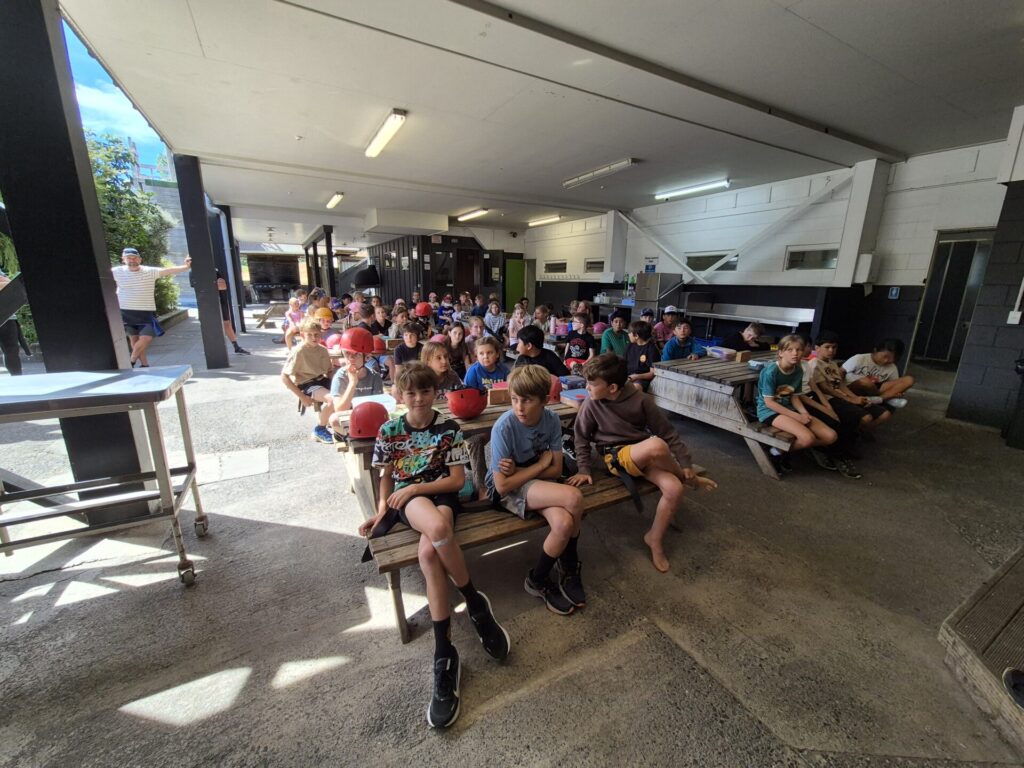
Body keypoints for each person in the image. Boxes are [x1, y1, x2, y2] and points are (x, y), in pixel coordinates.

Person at [361, 362, 510, 729]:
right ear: (399, 394)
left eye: (425, 391)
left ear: (435, 392)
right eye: (410, 392)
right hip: (407, 501)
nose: (418, 398)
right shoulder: (389, 430)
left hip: (441, 494)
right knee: (439, 529)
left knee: (429, 552)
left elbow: (456, 480)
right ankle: (474, 602)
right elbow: (386, 478)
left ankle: (445, 652)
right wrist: (382, 511)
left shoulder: (448, 428)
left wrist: (416, 486)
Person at [568, 353, 715, 572]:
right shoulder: (591, 404)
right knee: (656, 445)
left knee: (674, 488)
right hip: (615, 457)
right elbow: (580, 437)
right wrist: (583, 468)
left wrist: (685, 462)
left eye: (592, 384)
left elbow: (668, 432)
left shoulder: (641, 400)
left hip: (643, 454)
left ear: (612, 388)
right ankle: (690, 479)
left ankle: (654, 538)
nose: (586, 387)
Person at [488, 365, 585, 615]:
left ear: (544, 400)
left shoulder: (551, 420)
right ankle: (570, 563)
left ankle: (538, 579)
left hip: (531, 482)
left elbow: (556, 470)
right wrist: (540, 465)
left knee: (564, 523)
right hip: (506, 491)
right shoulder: (504, 427)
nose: (519, 407)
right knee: (574, 497)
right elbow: (501, 485)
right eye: (514, 399)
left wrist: (522, 470)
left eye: (527, 400)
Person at [756, 334, 837, 474]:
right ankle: (775, 455)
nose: (795, 353)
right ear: (780, 353)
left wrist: (804, 413)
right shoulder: (771, 371)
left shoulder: (798, 369)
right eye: (790, 350)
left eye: (799, 350)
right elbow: (769, 403)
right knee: (807, 439)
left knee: (830, 436)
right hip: (769, 411)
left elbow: (794, 396)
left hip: (789, 408)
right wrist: (797, 417)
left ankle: (778, 450)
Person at [112, 247, 192, 367]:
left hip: (146, 311)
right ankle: (145, 365)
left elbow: (168, 270)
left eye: (134, 258)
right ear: (123, 259)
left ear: (140, 259)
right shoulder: (116, 271)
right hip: (126, 312)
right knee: (134, 340)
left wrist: (185, 267)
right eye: (129, 258)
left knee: (146, 338)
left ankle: (131, 360)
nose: (132, 260)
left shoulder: (149, 271)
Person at [809, 331, 891, 437]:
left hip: (842, 396)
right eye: (827, 347)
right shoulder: (815, 364)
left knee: (884, 414)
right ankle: (851, 435)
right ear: (817, 348)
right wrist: (849, 399)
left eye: (834, 347)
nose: (831, 350)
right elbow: (825, 388)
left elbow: (841, 384)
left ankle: (860, 433)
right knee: (866, 418)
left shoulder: (832, 363)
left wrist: (855, 397)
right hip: (830, 398)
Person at [280, 318, 335, 444]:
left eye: (316, 334)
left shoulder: (322, 350)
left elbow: (329, 371)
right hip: (307, 383)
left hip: (321, 379)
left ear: (321, 334)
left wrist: (338, 383)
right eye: (309, 335)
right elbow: (284, 377)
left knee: (346, 393)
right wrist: (302, 397)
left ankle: (335, 422)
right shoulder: (298, 351)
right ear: (302, 335)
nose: (313, 337)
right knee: (332, 399)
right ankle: (319, 429)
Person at [328, 330, 385, 419]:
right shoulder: (340, 376)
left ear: (367, 357)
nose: (351, 358)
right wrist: (352, 383)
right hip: (348, 415)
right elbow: (340, 410)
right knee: (334, 419)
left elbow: (377, 406)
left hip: (368, 415)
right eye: (347, 353)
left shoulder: (374, 376)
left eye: (357, 354)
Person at [842, 338, 915, 408]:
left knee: (909, 380)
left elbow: (893, 385)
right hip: (853, 387)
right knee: (865, 382)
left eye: (892, 358)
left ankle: (875, 399)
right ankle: (886, 399)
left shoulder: (892, 367)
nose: (886, 360)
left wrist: (897, 391)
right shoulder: (859, 358)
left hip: (876, 389)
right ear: (875, 350)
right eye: (885, 356)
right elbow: (840, 373)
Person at [214, 270, 250, 355]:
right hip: (208, 304)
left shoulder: (216, 271)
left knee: (226, 324)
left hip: (222, 301)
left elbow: (223, 286)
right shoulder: (195, 273)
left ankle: (236, 347)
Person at [0, 268, 25, 375]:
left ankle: (17, 378)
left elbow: (9, 285)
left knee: (11, 351)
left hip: (7, 315)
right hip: (6, 314)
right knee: (11, 351)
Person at [626, 320, 660, 391]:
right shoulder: (629, 346)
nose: (628, 334)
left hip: (642, 379)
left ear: (636, 336)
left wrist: (636, 376)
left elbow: (652, 373)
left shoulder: (652, 350)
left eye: (629, 333)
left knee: (634, 389)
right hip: (628, 376)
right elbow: (623, 364)